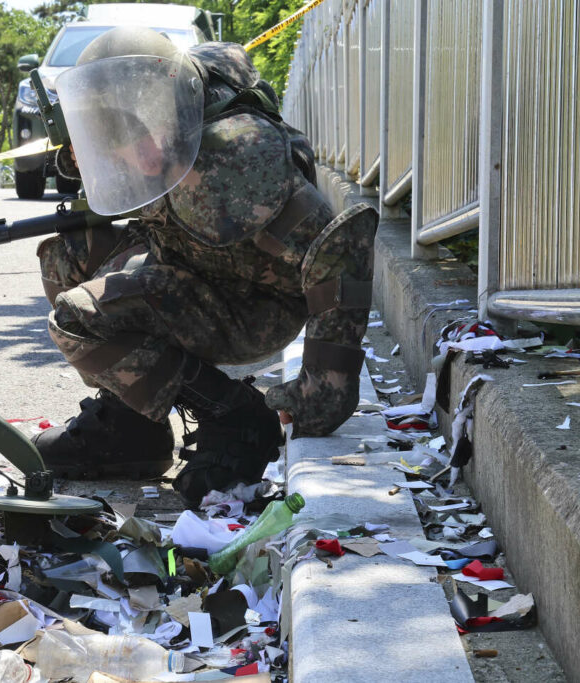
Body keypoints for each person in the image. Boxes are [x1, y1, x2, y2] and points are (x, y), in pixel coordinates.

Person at [33, 28, 378, 507]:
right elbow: (112, 188)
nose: (132, 146)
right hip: (194, 258)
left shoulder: (230, 166)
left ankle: (235, 417)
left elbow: (340, 245)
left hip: (253, 304)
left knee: (79, 316)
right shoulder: (169, 110)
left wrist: (325, 387)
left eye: (135, 128)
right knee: (66, 257)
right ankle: (134, 429)